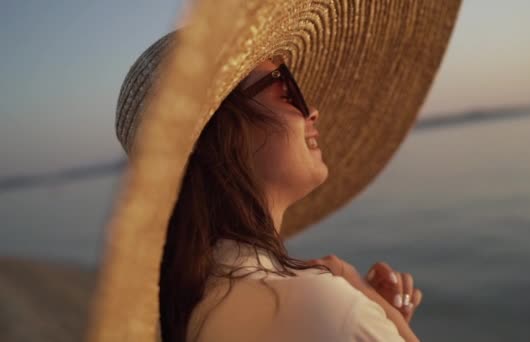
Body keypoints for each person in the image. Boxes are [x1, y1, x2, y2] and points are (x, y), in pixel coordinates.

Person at [86, 2, 461, 341]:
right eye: (286, 88)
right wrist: (375, 312)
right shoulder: (318, 308)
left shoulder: (196, 305)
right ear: (223, 131)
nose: (311, 111)